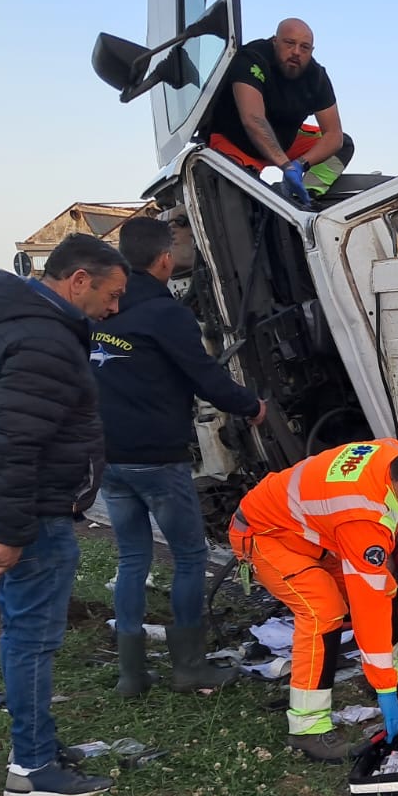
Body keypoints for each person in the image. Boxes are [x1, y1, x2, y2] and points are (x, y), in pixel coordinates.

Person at [0, 235, 128, 796]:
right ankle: (31, 768)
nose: (115, 309)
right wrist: (12, 533)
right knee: (31, 641)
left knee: (23, 636)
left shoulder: (2, 319)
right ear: (78, 280)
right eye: (112, 293)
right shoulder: (44, 340)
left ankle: (39, 747)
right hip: (25, 515)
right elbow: (10, 444)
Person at [94, 217, 267, 697]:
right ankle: (188, 665)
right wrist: (251, 406)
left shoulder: (102, 311)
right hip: (156, 458)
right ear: (164, 259)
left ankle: (132, 674)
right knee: (190, 557)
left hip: (109, 458)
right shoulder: (165, 314)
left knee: (132, 557)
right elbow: (205, 377)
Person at [228, 439, 398, 762]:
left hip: (311, 532)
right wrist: (385, 692)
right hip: (265, 535)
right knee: (323, 611)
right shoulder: (363, 516)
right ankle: (307, 728)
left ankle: (389, 676)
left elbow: (376, 588)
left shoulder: (394, 453)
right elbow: (369, 603)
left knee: (384, 586)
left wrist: (386, 680)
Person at [202, 17, 353, 207]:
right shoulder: (252, 58)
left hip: (285, 142)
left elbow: (334, 134)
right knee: (241, 202)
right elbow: (253, 119)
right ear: (275, 41)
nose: (296, 52)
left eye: (304, 47)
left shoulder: (317, 77)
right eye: (290, 43)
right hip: (236, 143)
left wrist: (301, 164)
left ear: (311, 51)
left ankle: (304, 195)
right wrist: (286, 165)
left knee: (342, 145)